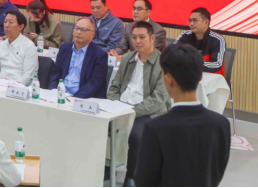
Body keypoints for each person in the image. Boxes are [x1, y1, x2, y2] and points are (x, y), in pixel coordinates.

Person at [134, 44, 231, 187]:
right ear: (200, 77)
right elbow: (217, 172)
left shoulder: (155, 127)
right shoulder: (221, 123)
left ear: (168, 79)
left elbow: (144, 180)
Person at [107, 22, 169, 186]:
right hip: (121, 107)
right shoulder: (128, 58)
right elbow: (114, 87)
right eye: (134, 37)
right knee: (99, 126)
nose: (137, 41)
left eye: (142, 37)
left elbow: (158, 99)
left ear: (152, 38)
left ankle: (132, 178)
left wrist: (132, 111)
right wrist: (115, 105)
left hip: (147, 112)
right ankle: (106, 170)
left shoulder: (164, 63)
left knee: (136, 135)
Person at [49, 17, 109, 99]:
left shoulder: (99, 55)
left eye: (83, 29)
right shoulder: (64, 48)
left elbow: (95, 83)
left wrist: (74, 98)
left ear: (92, 34)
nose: (78, 32)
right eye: (76, 28)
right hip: (60, 94)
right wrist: (53, 91)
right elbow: (55, 74)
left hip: (83, 97)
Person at [0, 11, 38, 82]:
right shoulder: (1, 45)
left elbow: (28, 77)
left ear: (21, 27)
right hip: (0, 84)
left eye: (11, 22)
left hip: (19, 86)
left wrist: (12, 87)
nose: (6, 25)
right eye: (5, 22)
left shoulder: (29, 46)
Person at [175, 7, 225, 75]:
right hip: (190, 75)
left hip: (212, 78)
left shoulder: (217, 39)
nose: (191, 24)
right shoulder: (185, 35)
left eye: (195, 20)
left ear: (206, 22)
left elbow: (217, 64)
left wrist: (194, 63)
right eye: (190, 20)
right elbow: (172, 53)